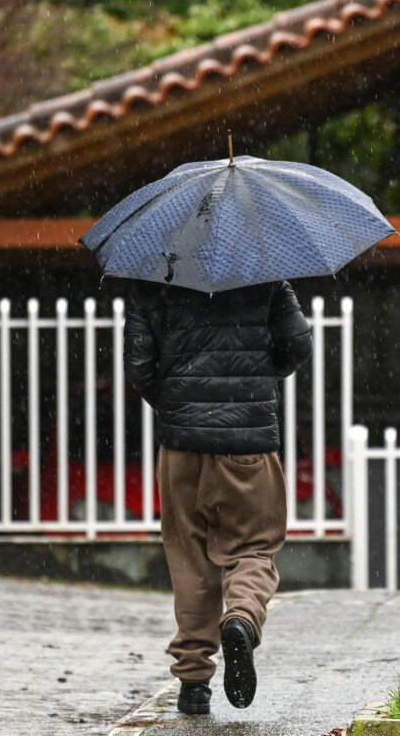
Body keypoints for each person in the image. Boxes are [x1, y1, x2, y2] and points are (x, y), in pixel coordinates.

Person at [124, 278, 312, 716]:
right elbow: (297, 343)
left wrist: (179, 404)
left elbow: (140, 367)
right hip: (248, 440)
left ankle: (192, 684)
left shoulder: (151, 279)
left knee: (188, 559)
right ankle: (242, 618)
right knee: (255, 547)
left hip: (180, 447)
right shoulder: (265, 274)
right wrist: (256, 381)